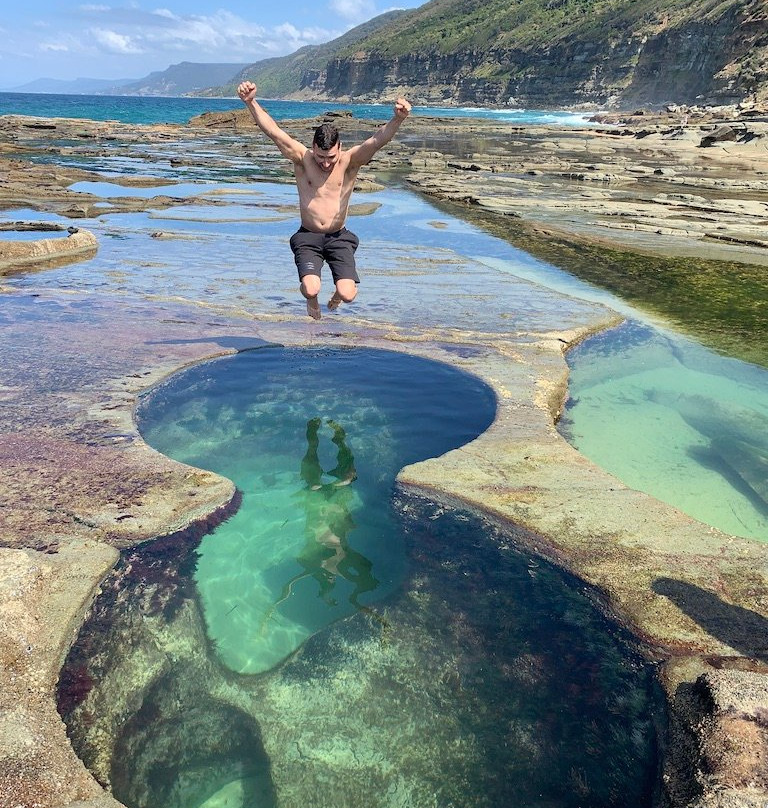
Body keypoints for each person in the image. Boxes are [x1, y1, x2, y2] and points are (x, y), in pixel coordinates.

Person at [237, 80, 412, 319]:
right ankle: (312, 299)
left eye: (331, 157)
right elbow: (273, 131)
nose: (326, 163)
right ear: (313, 148)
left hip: (339, 237)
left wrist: (398, 119)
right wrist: (250, 102)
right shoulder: (302, 158)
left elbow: (377, 140)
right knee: (311, 287)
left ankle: (338, 294)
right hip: (308, 236)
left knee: (349, 294)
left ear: (339, 148)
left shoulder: (350, 161)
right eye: (321, 157)